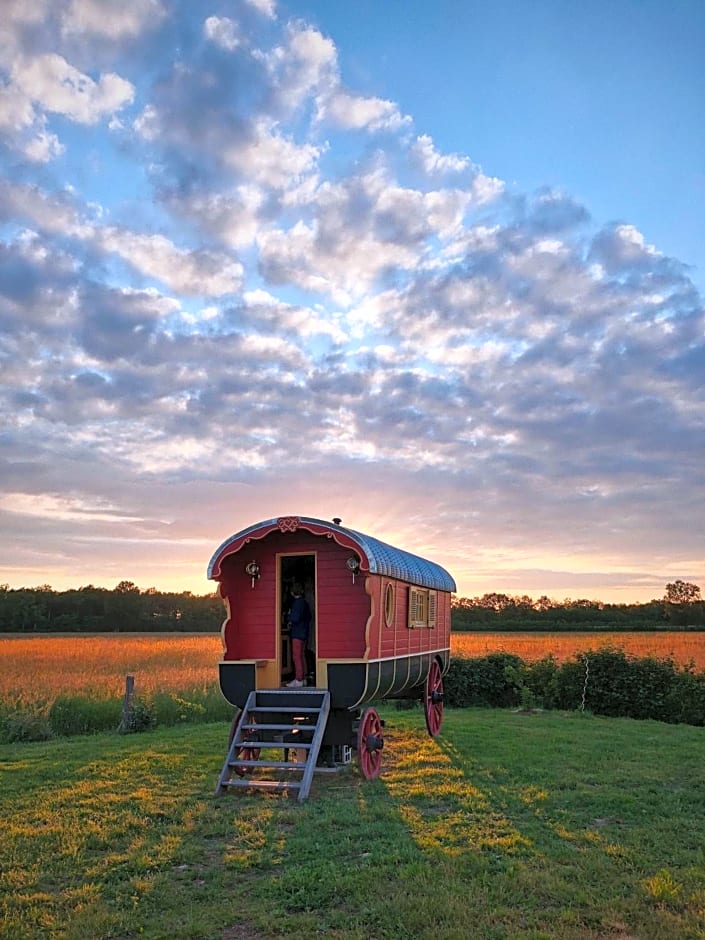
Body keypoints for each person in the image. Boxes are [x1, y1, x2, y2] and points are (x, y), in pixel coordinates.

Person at [286, 583, 311, 688]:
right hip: (304, 632)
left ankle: (299, 679)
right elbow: (309, 616)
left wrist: (289, 615)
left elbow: (294, 618)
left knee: (297, 656)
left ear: (292, 592)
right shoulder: (305, 603)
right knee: (302, 655)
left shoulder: (297, 604)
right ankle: (304, 678)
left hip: (297, 633)